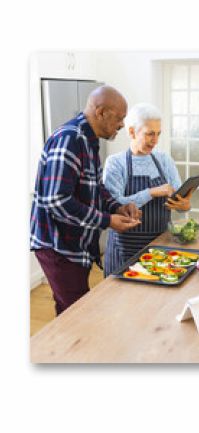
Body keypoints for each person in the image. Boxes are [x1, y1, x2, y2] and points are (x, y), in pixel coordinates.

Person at [30, 85, 141, 315]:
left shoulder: (89, 140)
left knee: (70, 312)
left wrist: (117, 207)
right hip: (57, 244)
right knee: (76, 316)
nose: (122, 124)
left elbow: (96, 188)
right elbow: (57, 200)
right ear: (100, 112)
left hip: (73, 243)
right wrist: (107, 220)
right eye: (119, 118)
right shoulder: (70, 139)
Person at [103, 102, 192, 277]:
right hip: (124, 249)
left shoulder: (164, 160)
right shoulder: (116, 163)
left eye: (158, 134)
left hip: (161, 246)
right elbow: (114, 204)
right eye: (150, 134)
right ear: (131, 132)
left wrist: (184, 205)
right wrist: (152, 192)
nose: (155, 140)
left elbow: (179, 198)